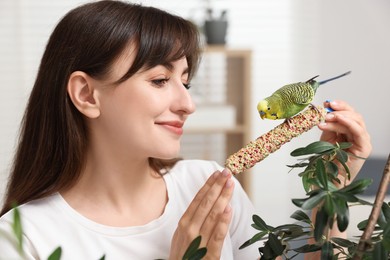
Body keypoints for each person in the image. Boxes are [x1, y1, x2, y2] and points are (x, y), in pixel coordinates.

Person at [0, 1, 371, 259]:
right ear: (86, 94)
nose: (187, 105)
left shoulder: (208, 184)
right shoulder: (23, 236)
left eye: (186, 83)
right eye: (160, 80)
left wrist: (330, 197)